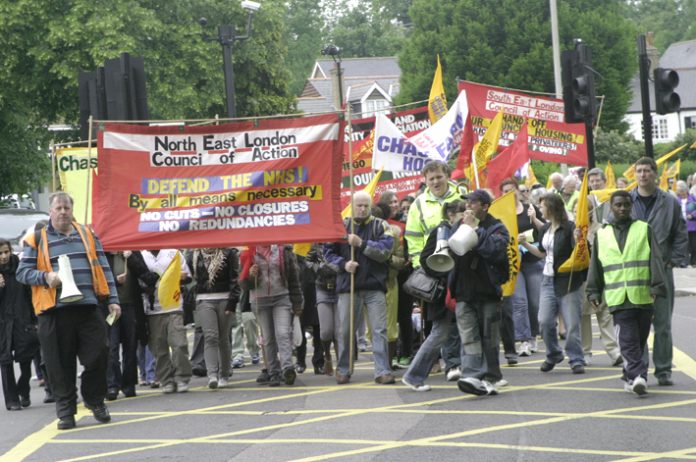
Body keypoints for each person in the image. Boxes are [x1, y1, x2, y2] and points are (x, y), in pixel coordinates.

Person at [17, 192, 120, 430]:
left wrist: (113, 299)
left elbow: (103, 267)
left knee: (100, 354)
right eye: (58, 208)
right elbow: (22, 272)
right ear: (50, 212)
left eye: (66, 207)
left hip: (88, 307)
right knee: (59, 365)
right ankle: (66, 412)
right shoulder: (36, 239)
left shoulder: (87, 234)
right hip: (54, 312)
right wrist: (46, 276)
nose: (63, 212)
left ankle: (94, 399)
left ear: (72, 210)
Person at [586, 191, 666, 395]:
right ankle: (639, 377)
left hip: (643, 296)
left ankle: (629, 376)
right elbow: (595, 266)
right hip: (618, 299)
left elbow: (655, 260)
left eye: (626, 205)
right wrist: (593, 291)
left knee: (638, 341)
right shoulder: (602, 234)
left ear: (632, 207)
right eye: (618, 205)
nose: (622, 208)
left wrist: (657, 287)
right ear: (611, 207)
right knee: (628, 340)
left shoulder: (644, 229)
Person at [324, 191, 395, 385]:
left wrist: (361, 244)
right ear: (351, 204)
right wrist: (343, 265)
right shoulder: (341, 227)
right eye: (359, 205)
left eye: (366, 205)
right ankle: (344, 369)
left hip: (374, 287)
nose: (363, 209)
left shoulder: (381, 225)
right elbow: (327, 254)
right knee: (346, 331)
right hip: (349, 287)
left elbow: (385, 251)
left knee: (379, 330)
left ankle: (382, 370)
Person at [630, 157, 688, 386]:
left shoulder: (669, 201)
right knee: (638, 324)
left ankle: (663, 370)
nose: (643, 175)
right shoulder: (627, 201)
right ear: (635, 175)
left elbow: (680, 233)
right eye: (639, 171)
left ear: (655, 174)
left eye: (647, 171)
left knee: (662, 323)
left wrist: (673, 260)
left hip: (662, 269)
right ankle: (640, 370)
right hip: (635, 270)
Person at [450, 190, 510, 396]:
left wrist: (475, 229)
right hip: (464, 290)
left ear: (485, 206)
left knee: (489, 337)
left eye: (473, 203)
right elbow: (450, 251)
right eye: (466, 203)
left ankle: (492, 376)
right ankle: (472, 375)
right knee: (469, 336)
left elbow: (494, 250)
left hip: (487, 291)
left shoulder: (498, 227)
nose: (468, 206)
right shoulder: (459, 226)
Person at [402, 200, 465, 391]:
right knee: (439, 334)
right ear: (452, 215)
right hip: (443, 293)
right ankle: (413, 375)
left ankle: (470, 372)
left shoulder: (456, 231)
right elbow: (425, 259)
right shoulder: (441, 232)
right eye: (462, 213)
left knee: (453, 333)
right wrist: (446, 273)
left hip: (453, 290)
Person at [520, 193, 586, 374]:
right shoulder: (545, 229)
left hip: (568, 280)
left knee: (572, 323)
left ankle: (576, 358)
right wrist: (525, 244)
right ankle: (554, 354)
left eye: (542, 207)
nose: (540, 210)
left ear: (551, 207)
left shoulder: (570, 228)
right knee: (544, 320)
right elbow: (542, 253)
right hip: (548, 280)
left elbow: (581, 251)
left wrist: (578, 238)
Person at [246, 244, 303, 386]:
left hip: (281, 297)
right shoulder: (249, 252)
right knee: (267, 337)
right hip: (260, 299)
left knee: (283, 333)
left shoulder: (284, 250)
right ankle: (273, 372)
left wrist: (297, 303)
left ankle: (287, 368)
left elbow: (294, 279)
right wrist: (249, 275)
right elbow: (243, 284)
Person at [582, 168, 622, 366]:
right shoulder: (576, 231)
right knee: (584, 315)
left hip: (600, 274)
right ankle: (585, 351)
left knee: (604, 313)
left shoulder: (601, 229)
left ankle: (613, 351)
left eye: (587, 210)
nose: (585, 213)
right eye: (581, 210)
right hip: (582, 277)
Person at [500, 179, 543, 360]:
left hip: (532, 260)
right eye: (505, 191)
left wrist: (533, 219)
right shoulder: (500, 214)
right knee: (519, 303)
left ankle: (533, 335)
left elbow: (544, 231)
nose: (509, 194)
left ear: (518, 191)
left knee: (534, 303)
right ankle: (523, 340)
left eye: (512, 190)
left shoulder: (530, 209)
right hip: (513, 263)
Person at [187, 248, 241, 389]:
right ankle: (212, 374)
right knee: (211, 336)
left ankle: (224, 374)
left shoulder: (228, 253)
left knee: (223, 338)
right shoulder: (194, 254)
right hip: (203, 299)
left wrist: (232, 302)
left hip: (224, 298)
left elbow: (234, 278)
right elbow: (190, 278)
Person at [141, 249, 192, 394]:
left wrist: (182, 277)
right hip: (153, 309)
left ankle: (182, 377)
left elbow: (187, 276)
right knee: (159, 349)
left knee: (179, 343)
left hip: (174, 305)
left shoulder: (173, 252)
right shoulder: (141, 255)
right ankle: (166, 380)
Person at [0, 239, 39, 411]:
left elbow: (30, 295)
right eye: (0, 253)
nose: (4, 256)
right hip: (3, 324)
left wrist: (35, 319)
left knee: (26, 357)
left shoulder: (20, 268)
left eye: (6, 252)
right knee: (5, 360)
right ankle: (11, 399)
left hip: (22, 320)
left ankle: (24, 388)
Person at [405, 161, 462, 269]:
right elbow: (414, 239)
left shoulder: (463, 195)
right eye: (431, 179)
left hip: (462, 261)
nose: (435, 182)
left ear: (448, 177)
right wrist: (420, 265)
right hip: (434, 264)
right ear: (425, 181)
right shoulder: (418, 204)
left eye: (439, 177)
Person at [675, 180, 696, 266]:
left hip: (692, 225)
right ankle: (684, 261)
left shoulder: (693, 198)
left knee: (694, 244)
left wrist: (692, 215)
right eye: (680, 192)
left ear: (686, 190)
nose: (682, 194)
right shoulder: (677, 200)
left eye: (683, 191)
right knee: (684, 245)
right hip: (681, 226)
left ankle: (694, 261)